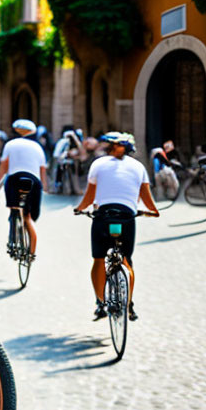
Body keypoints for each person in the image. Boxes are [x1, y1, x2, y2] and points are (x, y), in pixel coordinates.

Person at [74, 132, 159, 321]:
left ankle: (101, 302)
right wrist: (154, 211)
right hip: (127, 217)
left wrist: (79, 209)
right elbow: (146, 197)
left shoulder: (98, 164)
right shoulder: (139, 167)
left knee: (98, 259)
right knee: (127, 260)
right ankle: (129, 304)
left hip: (103, 216)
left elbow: (89, 197)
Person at [0, 119, 48, 259]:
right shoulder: (38, 147)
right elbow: (43, 171)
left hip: (14, 180)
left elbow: (3, 168)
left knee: (15, 208)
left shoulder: (10, 144)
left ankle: (14, 217)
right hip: (34, 181)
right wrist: (44, 188)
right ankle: (31, 253)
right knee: (29, 217)